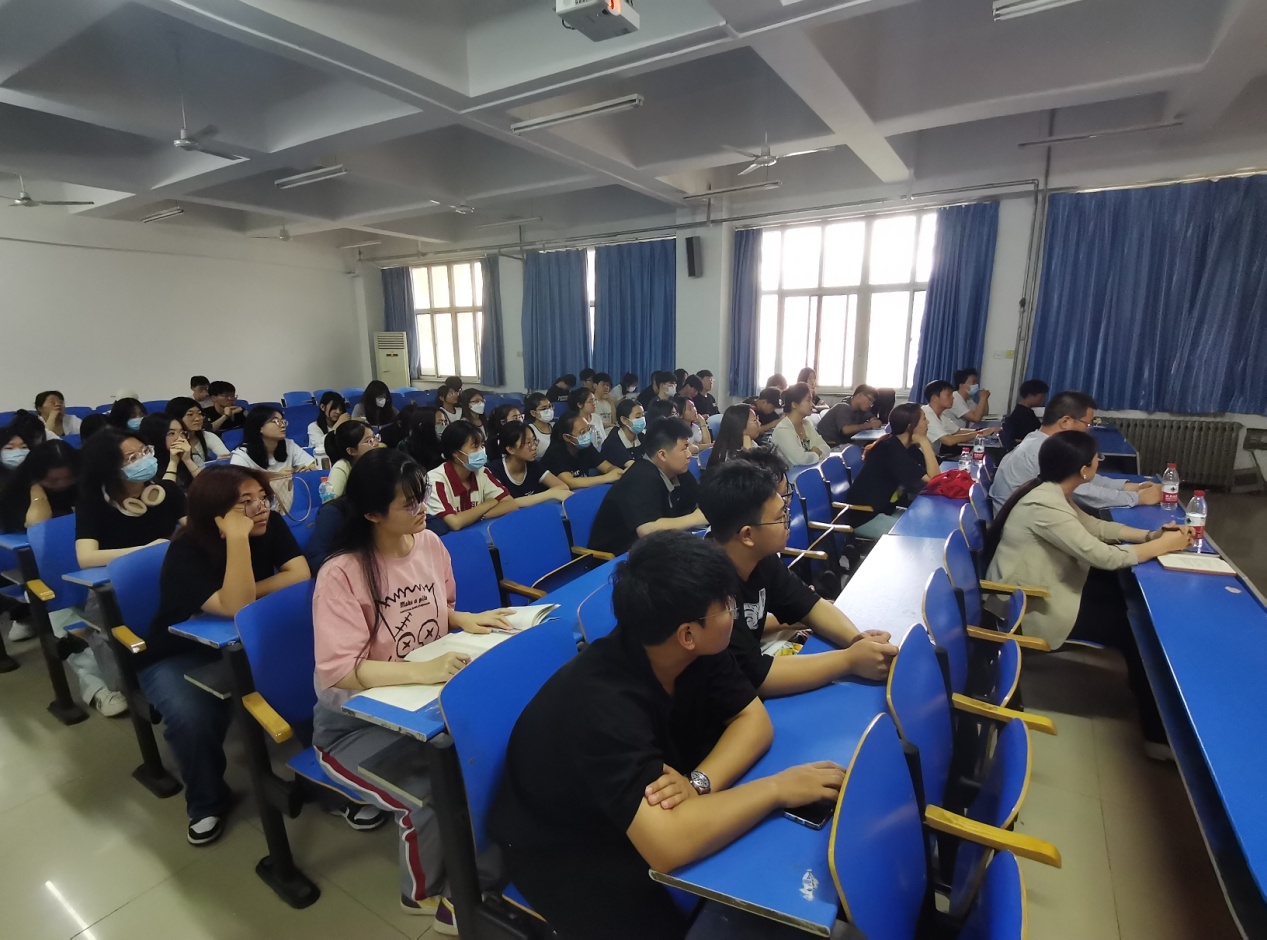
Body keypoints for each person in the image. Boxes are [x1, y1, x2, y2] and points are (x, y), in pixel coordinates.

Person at [492, 531, 848, 939]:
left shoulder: (693, 647)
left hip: (632, 803)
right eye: (726, 605)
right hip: (565, 843)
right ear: (687, 634)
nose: (733, 612)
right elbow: (669, 846)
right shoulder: (599, 705)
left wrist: (698, 784)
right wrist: (776, 789)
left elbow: (752, 719)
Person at [313, 449, 513, 930]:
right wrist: (423, 671)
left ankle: (474, 877)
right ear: (372, 514)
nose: (424, 509)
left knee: (486, 763)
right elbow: (339, 671)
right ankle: (422, 894)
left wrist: (463, 618)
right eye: (410, 503)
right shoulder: (342, 573)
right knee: (429, 792)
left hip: (420, 704)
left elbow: (433, 609)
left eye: (423, 496)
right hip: (353, 724)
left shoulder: (429, 544)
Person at [987, 431, 1192, 756]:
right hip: (1027, 604)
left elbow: (1095, 528)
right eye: (1097, 459)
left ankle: (1147, 698)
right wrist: (1163, 546)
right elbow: (1104, 556)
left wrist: (1151, 536)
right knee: (1132, 628)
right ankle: (1156, 735)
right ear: (1084, 470)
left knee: (1123, 598)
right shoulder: (1045, 504)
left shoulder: (1054, 491)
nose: (1100, 462)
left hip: (1044, 584)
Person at [145, 466, 309, 844]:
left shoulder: (269, 524)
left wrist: (246, 593)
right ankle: (206, 802)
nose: (261, 508)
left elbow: (300, 573)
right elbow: (237, 604)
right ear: (215, 514)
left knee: (303, 680)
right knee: (193, 717)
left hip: (243, 641)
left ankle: (327, 782)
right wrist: (237, 540)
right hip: (179, 652)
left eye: (262, 498)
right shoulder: (186, 549)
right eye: (245, 503)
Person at [698, 450, 896, 695]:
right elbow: (756, 677)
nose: (788, 522)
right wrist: (850, 660)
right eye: (780, 517)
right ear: (747, 535)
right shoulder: (709, 590)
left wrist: (858, 641)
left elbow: (810, 606)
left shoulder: (760, 558)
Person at [75, 428, 191, 717]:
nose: (144, 459)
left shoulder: (165, 492)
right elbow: (86, 557)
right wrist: (145, 551)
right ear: (109, 469)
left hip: (168, 576)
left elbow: (195, 528)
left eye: (144, 451)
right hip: (113, 585)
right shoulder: (94, 503)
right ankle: (112, 675)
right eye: (131, 458)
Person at [990, 390, 1161, 513]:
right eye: (1087, 424)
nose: (1088, 429)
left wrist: (1132, 487)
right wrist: (1138, 498)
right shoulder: (1045, 450)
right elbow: (1083, 493)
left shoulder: (1038, 438)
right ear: (1066, 422)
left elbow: (1083, 477)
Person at [589, 418, 706, 555]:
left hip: (657, 547)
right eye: (684, 448)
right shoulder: (640, 477)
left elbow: (698, 499)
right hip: (617, 556)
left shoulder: (677, 471)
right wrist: (696, 518)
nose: (689, 454)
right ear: (662, 455)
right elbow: (647, 529)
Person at [841, 403, 941, 537]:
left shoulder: (905, 446)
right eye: (924, 419)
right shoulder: (891, 449)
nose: (928, 422)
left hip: (886, 509)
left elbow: (936, 475)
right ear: (910, 426)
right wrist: (924, 442)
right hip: (866, 517)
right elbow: (935, 480)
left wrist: (923, 443)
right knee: (920, 533)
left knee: (929, 523)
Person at [426, 420, 517, 531]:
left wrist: (477, 516)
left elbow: (510, 504)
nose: (481, 450)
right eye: (475, 446)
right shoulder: (435, 480)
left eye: (482, 445)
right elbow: (455, 523)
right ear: (455, 453)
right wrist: (489, 503)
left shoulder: (482, 472)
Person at [0, 439, 78, 534]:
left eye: (69, 478)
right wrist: (37, 494)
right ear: (35, 476)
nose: (62, 484)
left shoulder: (81, 484)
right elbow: (36, 526)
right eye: (53, 480)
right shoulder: (14, 492)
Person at [486, 421, 572, 506]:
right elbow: (507, 504)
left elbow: (562, 486)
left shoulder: (532, 464)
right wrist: (550, 494)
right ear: (510, 449)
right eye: (528, 443)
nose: (534, 447)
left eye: (534, 440)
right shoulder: (493, 471)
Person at [540, 412, 623, 490]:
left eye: (588, 429)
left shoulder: (586, 446)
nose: (587, 434)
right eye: (582, 432)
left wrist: (616, 472)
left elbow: (607, 467)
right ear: (567, 437)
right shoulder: (555, 453)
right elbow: (569, 482)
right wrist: (606, 478)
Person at [230, 406, 318, 475]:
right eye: (276, 421)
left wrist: (309, 469)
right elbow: (238, 484)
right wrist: (277, 477)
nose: (283, 425)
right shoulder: (242, 455)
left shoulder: (289, 444)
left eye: (283, 421)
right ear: (259, 427)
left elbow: (313, 464)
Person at [770, 383, 828, 466]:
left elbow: (825, 447)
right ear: (794, 405)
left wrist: (813, 455)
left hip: (809, 469)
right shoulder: (783, 429)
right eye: (808, 400)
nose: (812, 404)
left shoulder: (806, 424)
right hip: (790, 473)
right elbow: (800, 459)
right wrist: (816, 453)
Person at [921, 380, 987, 453]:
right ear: (934, 398)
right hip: (922, 458)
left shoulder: (941, 415)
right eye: (948, 395)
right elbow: (949, 440)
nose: (953, 398)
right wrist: (979, 434)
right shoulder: (925, 414)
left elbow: (957, 431)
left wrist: (983, 431)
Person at [138, 414, 200, 489]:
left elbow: (208, 487)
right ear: (156, 436)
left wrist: (188, 460)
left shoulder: (187, 456)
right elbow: (166, 494)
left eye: (182, 432)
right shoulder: (147, 468)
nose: (179, 438)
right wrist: (173, 463)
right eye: (171, 433)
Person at [167, 397, 230, 469]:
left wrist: (221, 462)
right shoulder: (170, 440)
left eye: (199, 414)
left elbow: (227, 456)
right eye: (190, 414)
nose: (197, 418)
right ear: (176, 418)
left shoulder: (207, 436)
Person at [325, 422, 380, 498]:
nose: (376, 443)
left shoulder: (377, 462)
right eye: (369, 441)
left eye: (374, 437)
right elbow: (329, 502)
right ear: (351, 451)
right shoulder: (341, 467)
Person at [817, 384, 883, 446]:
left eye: (872, 403)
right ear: (860, 395)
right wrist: (869, 425)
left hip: (840, 444)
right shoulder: (843, 407)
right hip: (828, 445)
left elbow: (871, 417)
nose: (870, 405)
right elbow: (846, 430)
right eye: (870, 400)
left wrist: (874, 421)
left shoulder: (860, 410)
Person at [706, 404, 761, 470]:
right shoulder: (727, 458)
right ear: (740, 426)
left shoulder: (752, 444)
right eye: (754, 420)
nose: (759, 423)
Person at [1001, 379, 1049, 451]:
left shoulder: (1024, 412)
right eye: (1041, 396)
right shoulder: (1023, 415)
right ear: (1030, 396)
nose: (1043, 399)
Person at [601, 399, 645, 469]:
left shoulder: (641, 436)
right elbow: (633, 468)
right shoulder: (613, 442)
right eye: (637, 417)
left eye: (643, 415)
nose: (642, 420)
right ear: (624, 420)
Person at [400, 406, 445, 472]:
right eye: (438, 423)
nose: (443, 426)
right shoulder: (406, 446)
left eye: (444, 422)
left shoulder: (443, 443)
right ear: (422, 426)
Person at [309, 392, 349, 459]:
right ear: (322, 407)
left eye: (340, 409)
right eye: (334, 408)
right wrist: (337, 425)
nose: (338, 412)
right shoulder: (313, 427)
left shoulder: (343, 425)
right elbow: (320, 446)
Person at [524, 392, 556, 459]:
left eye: (550, 406)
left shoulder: (555, 425)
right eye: (544, 409)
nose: (549, 410)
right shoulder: (529, 430)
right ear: (533, 413)